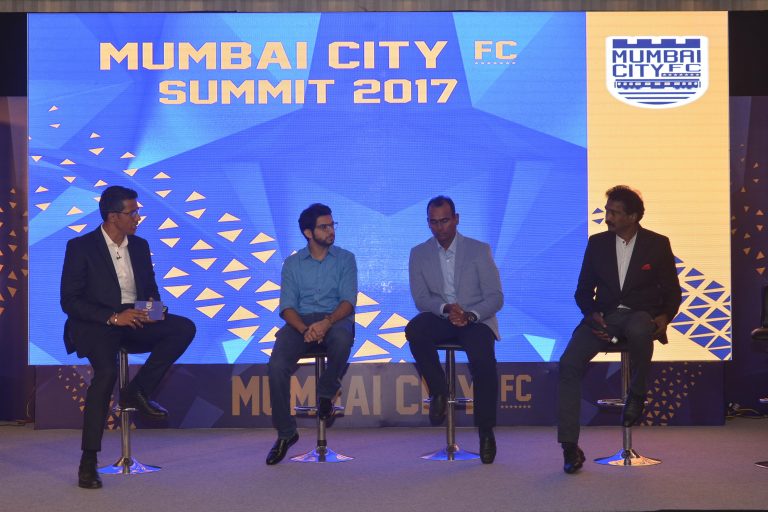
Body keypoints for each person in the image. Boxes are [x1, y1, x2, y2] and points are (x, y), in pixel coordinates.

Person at [60, 185, 196, 489]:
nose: (137, 217)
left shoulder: (138, 245)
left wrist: (152, 311)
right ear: (112, 217)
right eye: (132, 212)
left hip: (134, 318)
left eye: (137, 211)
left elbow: (151, 291)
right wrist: (112, 317)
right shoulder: (80, 247)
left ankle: (137, 391)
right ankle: (88, 462)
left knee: (183, 328)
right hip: (98, 323)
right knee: (106, 375)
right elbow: (69, 301)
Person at [557, 185, 681, 474]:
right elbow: (583, 292)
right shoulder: (597, 243)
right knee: (568, 364)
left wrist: (665, 316)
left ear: (633, 216)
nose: (607, 217)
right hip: (605, 317)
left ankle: (636, 395)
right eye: (607, 211)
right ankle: (569, 447)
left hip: (642, 315)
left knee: (640, 328)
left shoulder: (657, 244)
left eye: (614, 212)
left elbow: (673, 292)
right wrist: (593, 316)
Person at [405, 195, 503, 464]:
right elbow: (421, 298)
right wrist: (448, 310)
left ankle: (485, 432)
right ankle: (439, 391)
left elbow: (495, 297)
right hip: (442, 315)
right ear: (428, 223)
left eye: (445, 221)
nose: (440, 228)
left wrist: (470, 314)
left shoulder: (478, 250)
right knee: (415, 330)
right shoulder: (418, 253)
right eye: (434, 222)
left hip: (476, 319)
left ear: (456, 219)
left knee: (483, 360)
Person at [265, 203, 357, 465]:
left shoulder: (346, 259)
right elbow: (287, 307)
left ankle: (326, 393)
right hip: (300, 323)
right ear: (308, 232)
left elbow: (348, 302)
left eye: (332, 225)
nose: (331, 231)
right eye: (324, 227)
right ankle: (286, 433)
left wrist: (326, 323)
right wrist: (307, 330)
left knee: (341, 338)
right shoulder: (292, 263)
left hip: (335, 318)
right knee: (276, 365)